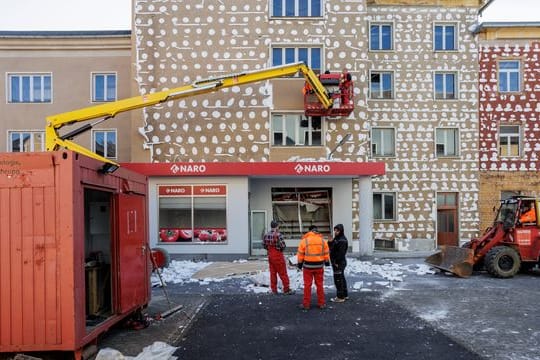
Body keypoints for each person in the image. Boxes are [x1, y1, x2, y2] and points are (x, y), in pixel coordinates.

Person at [296, 225, 330, 311]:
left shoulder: (304, 241)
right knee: (319, 285)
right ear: (316, 231)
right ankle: (321, 303)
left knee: (307, 285)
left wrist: (299, 264)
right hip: (319, 266)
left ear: (309, 231)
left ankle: (306, 305)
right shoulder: (322, 241)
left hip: (308, 267)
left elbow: (300, 254)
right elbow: (326, 252)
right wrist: (327, 262)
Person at [263, 220, 294, 295]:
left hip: (270, 256)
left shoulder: (266, 235)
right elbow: (283, 246)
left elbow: (264, 245)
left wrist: (270, 250)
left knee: (273, 274)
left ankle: (274, 290)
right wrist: (279, 250)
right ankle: (286, 289)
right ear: (277, 226)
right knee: (283, 273)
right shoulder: (278, 235)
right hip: (278, 256)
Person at [328, 224, 348, 303]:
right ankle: (345, 295)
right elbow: (333, 248)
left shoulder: (342, 240)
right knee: (341, 278)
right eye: (335, 230)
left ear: (341, 231)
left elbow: (341, 253)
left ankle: (340, 297)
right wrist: (330, 242)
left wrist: (336, 262)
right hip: (338, 262)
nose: (335, 232)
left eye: (337, 230)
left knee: (338, 280)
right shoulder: (338, 239)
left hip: (339, 263)